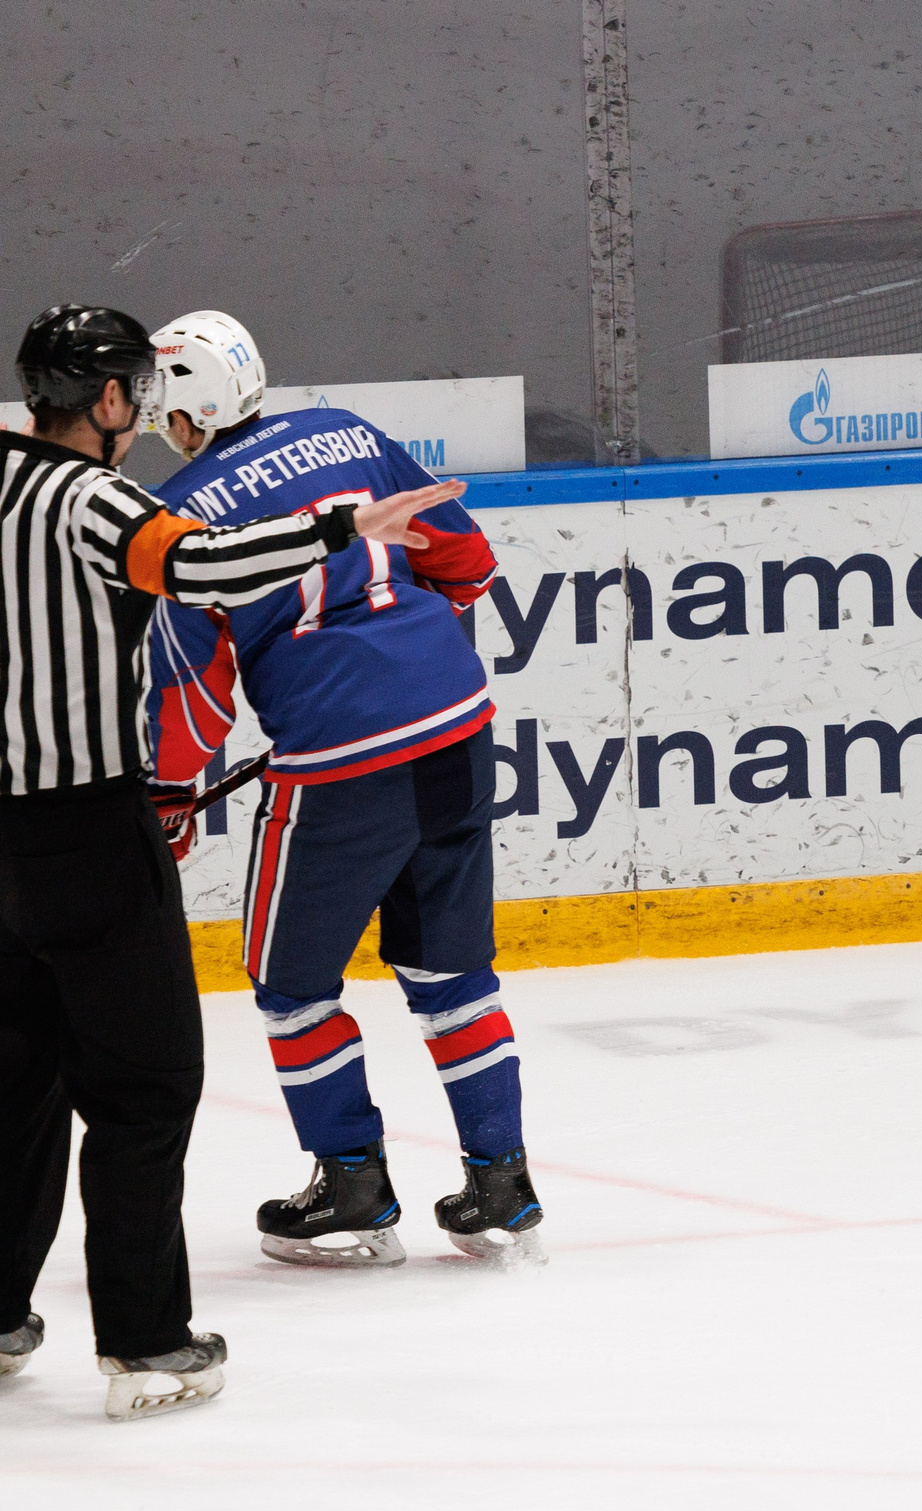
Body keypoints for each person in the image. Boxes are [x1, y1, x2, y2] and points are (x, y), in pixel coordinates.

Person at [0, 303, 465, 1420]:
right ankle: (149, 1345)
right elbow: (205, 568)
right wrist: (340, 533)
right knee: (144, 1089)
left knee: (13, 1082)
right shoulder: (94, 499)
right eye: (133, 398)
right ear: (109, 402)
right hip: (90, 834)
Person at [143, 310, 543, 1269]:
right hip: (456, 726)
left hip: (339, 765)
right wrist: (411, 653)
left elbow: (195, 696)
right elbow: (467, 560)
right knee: (452, 974)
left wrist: (166, 796)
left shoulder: (182, 517)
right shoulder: (348, 431)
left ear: (186, 407)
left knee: (290, 987)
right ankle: (503, 1184)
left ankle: (354, 1185)